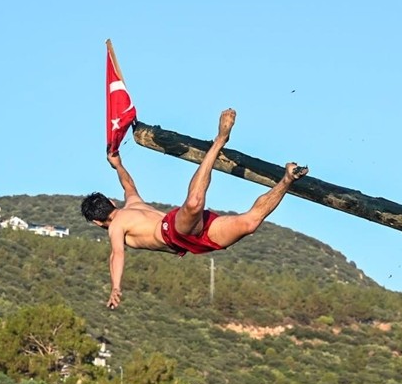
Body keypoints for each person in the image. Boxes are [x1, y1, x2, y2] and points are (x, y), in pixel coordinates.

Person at [81, 108, 309, 309]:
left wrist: (115, 287)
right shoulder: (128, 208)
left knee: (194, 204)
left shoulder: (122, 217)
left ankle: (220, 140)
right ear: (111, 202)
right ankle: (287, 179)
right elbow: (117, 250)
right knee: (248, 224)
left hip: (177, 229)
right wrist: (117, 164)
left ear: (97, 222)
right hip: (185, 238)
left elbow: (117, 252)